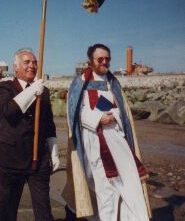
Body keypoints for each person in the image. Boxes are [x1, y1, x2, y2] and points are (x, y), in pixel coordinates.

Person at [63, 43, 150, 221]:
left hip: (117, 140)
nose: (105, 62)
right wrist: (98, 119)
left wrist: (113, 115)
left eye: (107, 59)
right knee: (101, 187)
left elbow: (123, 112)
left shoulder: (113, 83)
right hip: (93, 141)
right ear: (90, 60)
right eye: (100, 59)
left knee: (126, 183)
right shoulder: (80, 82)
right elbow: (75, 113)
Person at [0, 48, 59, 221]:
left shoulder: (43, 91)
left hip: (38, 158)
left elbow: (49, 123)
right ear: (16, 67)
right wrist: (31, 91)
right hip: (10, 158)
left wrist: (54, 151)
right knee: (7, 207)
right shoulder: (3, 87)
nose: (32, 66)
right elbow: (8, 112)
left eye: (35, 62)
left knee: (43, 207)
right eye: (27, 62)